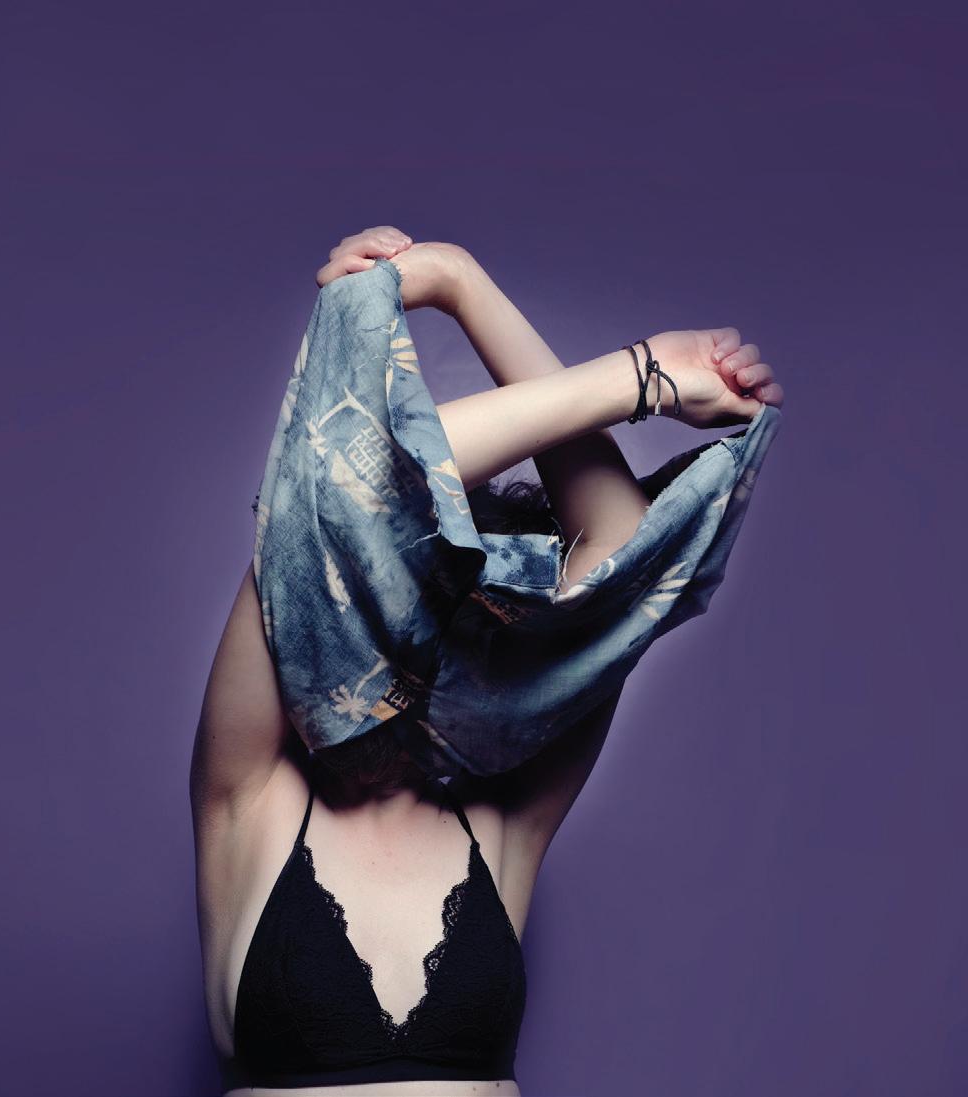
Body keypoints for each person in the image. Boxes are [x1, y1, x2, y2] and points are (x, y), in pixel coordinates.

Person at [191, 227, 786, 1095]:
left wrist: (465, 285)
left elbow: (623, 566)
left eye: (476, 636)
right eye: (409, 613)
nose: (432, 655)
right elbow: (343, 493)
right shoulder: (250, 799)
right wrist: (638, 374)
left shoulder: (506, 821)